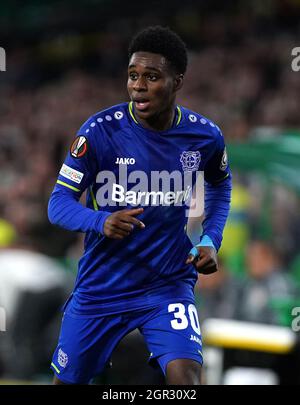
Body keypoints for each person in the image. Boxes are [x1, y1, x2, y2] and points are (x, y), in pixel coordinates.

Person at [48, 26, 232, 385]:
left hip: (167, 285)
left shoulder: (204, 136)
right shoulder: (99, 132)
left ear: (177, 81)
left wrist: (211, 239)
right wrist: (100, 221)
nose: (138, 86)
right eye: (133, 76)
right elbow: (58, 204)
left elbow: (220, 187)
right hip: (102, 287)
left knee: (187, 381)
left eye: (152, 77)